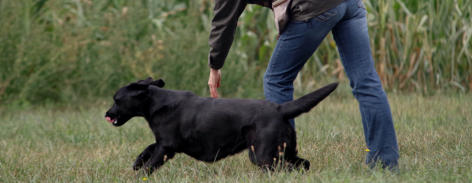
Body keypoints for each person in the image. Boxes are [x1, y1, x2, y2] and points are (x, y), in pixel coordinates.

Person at [206, 0, 399, 169]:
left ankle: (282, 160)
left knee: (276, 80)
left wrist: (215, 65)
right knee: (366, 82)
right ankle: (384, 161)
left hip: (315, 6)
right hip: (350, 4)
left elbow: (224, 20)